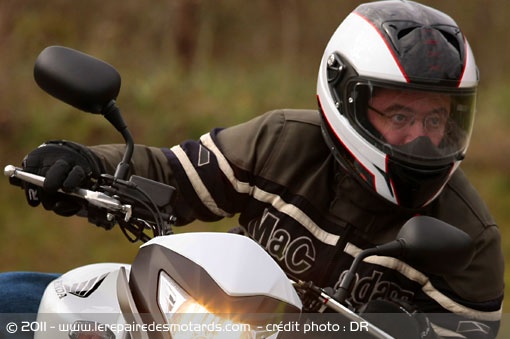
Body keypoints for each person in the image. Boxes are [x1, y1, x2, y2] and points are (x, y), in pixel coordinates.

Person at [0, 1, 504, 338]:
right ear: (345, 97)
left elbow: (473, 334)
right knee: (24, 301)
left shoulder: (470, 234)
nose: (423, 137)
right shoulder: (283, 140)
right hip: (214, 320)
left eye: (437, 118)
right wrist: (89, 163)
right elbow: (174, 175)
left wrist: (417, 332)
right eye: (400, 115)